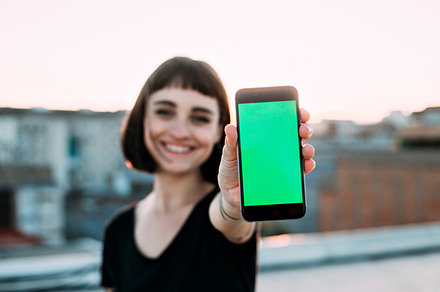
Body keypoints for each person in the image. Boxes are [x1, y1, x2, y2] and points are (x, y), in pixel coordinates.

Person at [100, 56, 316, 292]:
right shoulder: (117, 230)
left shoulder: (224, 210)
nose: (180, 132)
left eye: (200, 118)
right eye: (164, 112)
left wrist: (233, 203)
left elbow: (229, 216)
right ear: (143, 119)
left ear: (219, 131)